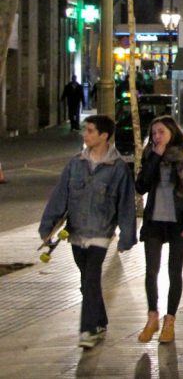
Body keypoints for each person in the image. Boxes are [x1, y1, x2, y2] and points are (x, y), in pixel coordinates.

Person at [38, 114, 137, 349]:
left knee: (91, 278)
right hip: (76, 233)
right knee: (87, 281)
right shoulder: (75, 164)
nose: (86, 134)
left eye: (91, 131)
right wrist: (47, 228)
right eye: (86, 130)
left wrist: (127, 236)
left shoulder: (118, 168)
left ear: (104, 136)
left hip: (100, 233)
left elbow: (125, 205)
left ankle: (88, 330)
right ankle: (100, 319)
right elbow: (60, 196)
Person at [135, 116, 183, 344]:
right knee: (150, 271)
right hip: (155, 220)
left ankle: (169, 321)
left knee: (175, 272)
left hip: (178, 221)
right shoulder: (150, 154)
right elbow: (141, 186)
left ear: (172, 131)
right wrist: (155, 155)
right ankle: (152, 316)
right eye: (153, 133)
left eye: (161, 132)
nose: (157, 137)